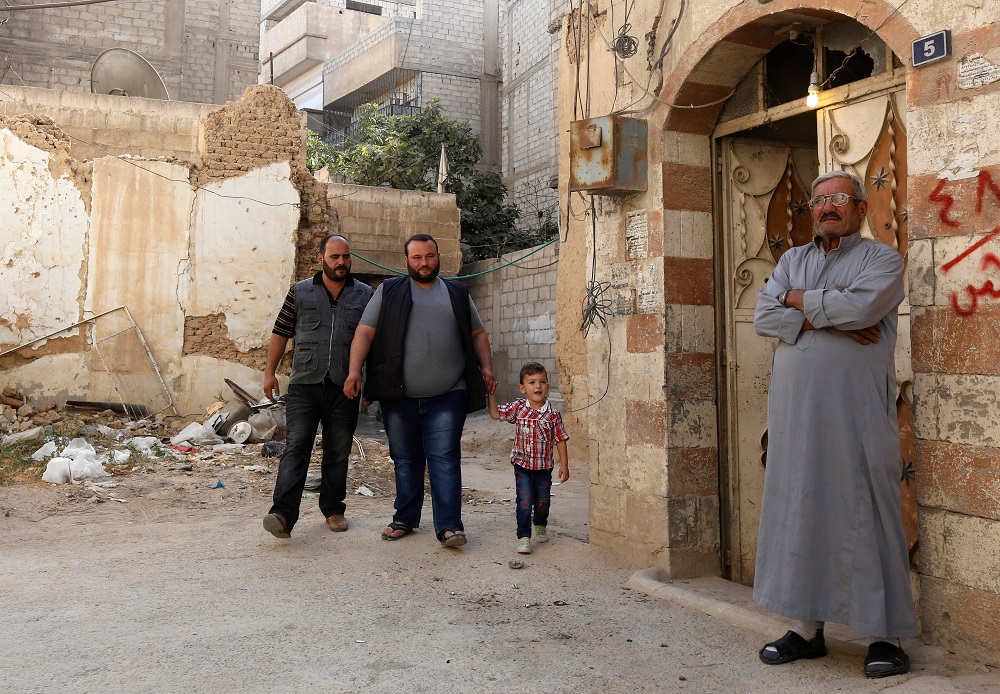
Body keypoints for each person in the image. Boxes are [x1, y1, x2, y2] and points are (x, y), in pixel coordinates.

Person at [752, 171, 916, 678]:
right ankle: (806, 629)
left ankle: (884, 637)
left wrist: (799, 301)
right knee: (802, 504)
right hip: (796, 415)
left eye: (839, 200)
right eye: (819, 200)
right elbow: (762, 315)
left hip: (856, 413)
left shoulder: (883, 260)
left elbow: (865, 305)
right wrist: (826, 310)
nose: (826, 208)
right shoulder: (792, 260)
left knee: (867, 507)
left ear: (861, 210)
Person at [343, 234, 496, 548]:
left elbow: (477, 332)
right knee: (406, 460)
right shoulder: (389, 291)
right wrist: (355, 371)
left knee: (444, 458)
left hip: (449, 391)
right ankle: (405, 518)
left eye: (429, 256)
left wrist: (487, 368)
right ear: (406, 260)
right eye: (417, 258)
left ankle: (450, 527)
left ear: (438, 256)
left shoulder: (456, 292)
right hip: (399, 396)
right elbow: (365, 332)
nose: (424, 263)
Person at [261, 234, 372, 539]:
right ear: (321, 258)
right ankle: (282, 514)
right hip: (304, 385)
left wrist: (369, 385)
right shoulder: (300, 292)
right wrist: (270, 373)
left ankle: (334, 510)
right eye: (335, 257)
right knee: (296, 448)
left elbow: (373, 342)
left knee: (337, 451)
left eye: (346, 257)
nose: (341, 262)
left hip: (344, 386)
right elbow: (281, 332)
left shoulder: (364, 295)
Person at [488, 362, 569, 555]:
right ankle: (523, 537)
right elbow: (494, 414)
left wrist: (564, 465)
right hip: (522, 466)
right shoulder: (518, 408)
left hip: (543, 468)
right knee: (524, 502)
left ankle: (540, 525)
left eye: (542, 382)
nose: (537, 386)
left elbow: (560, 439)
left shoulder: (553, 414)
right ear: (523, 388)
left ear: (548, 386)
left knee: (542, 502)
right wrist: (491, 393)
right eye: (532, 382)